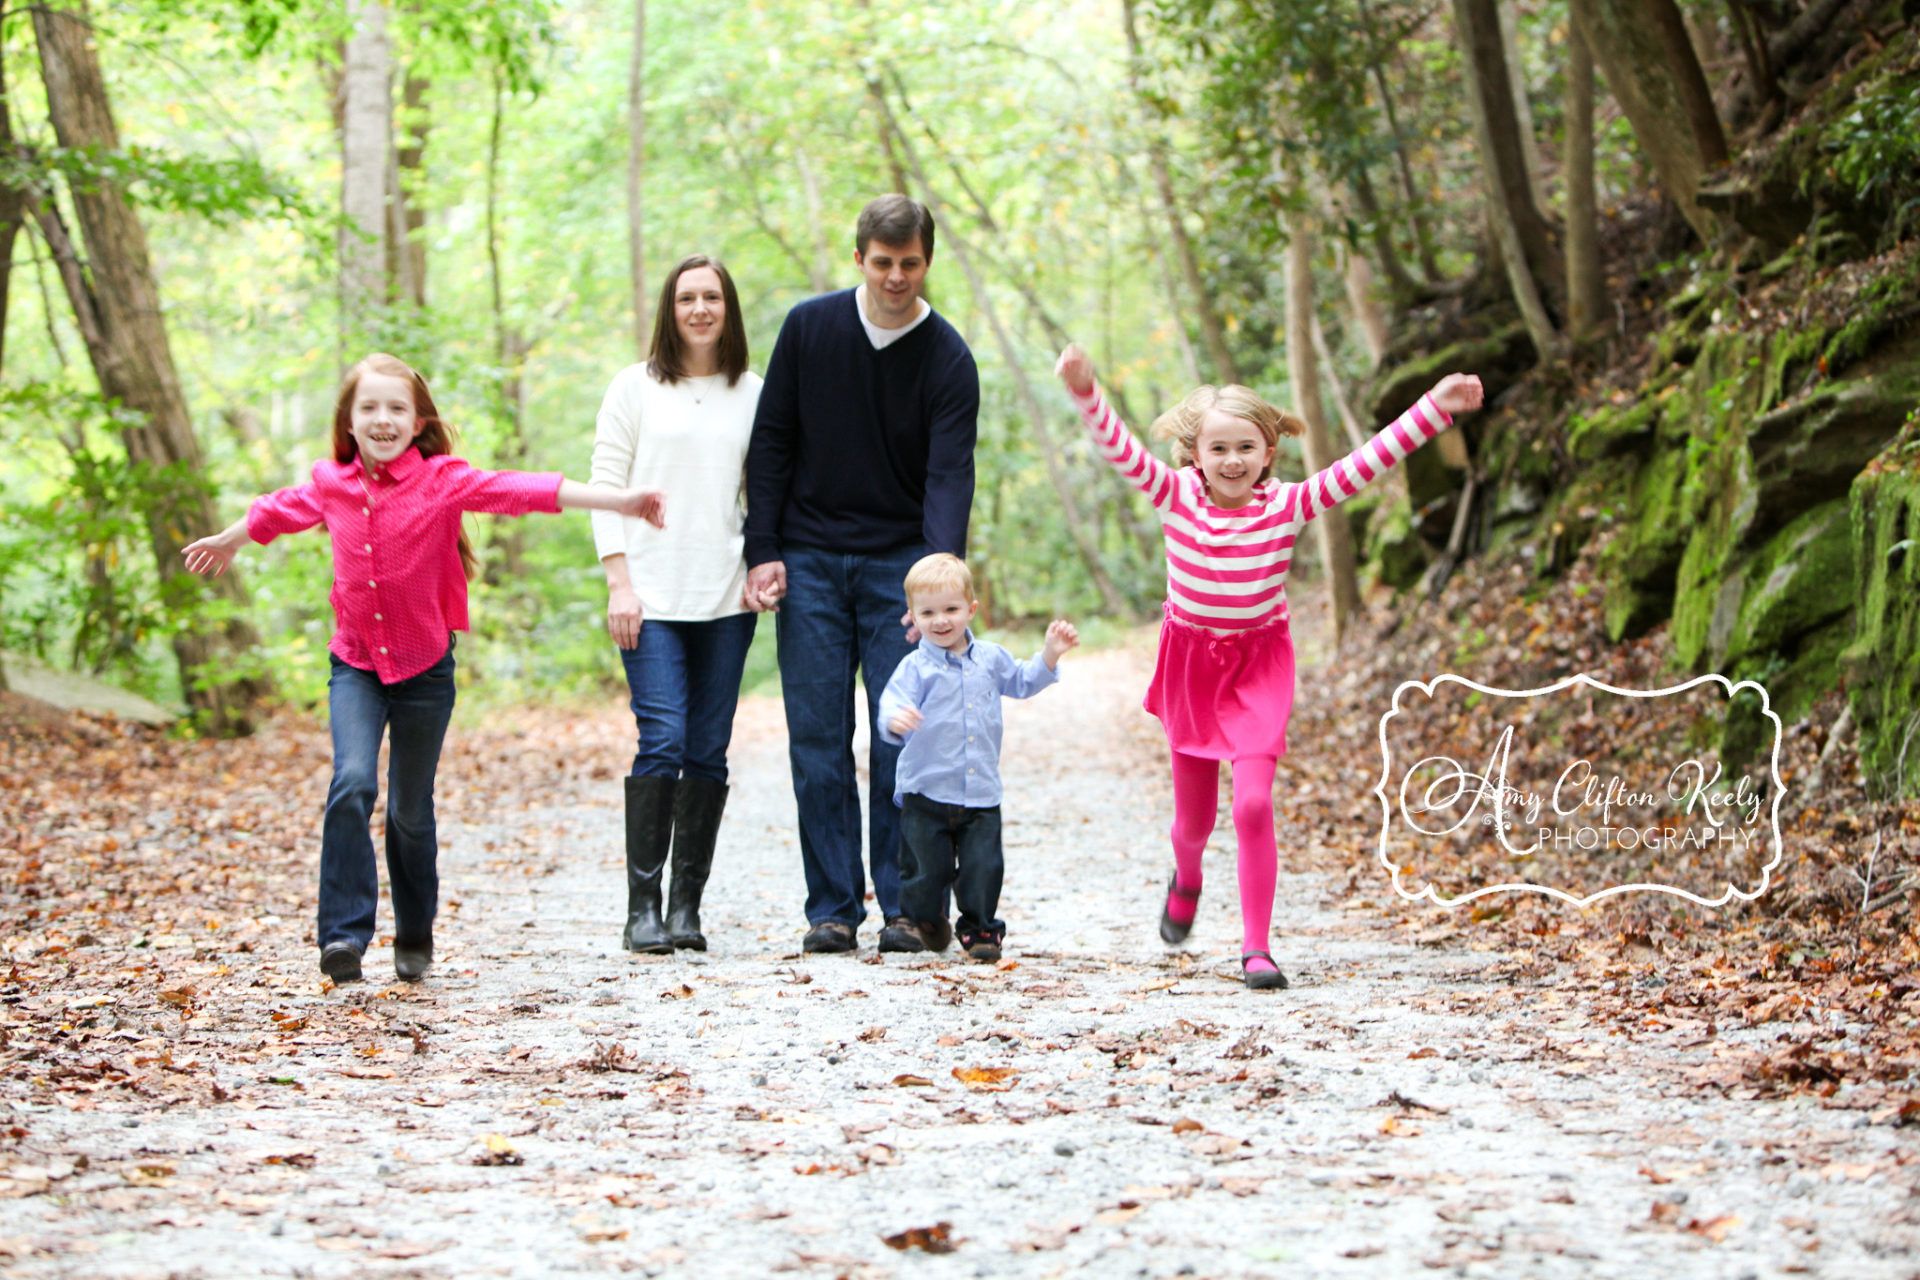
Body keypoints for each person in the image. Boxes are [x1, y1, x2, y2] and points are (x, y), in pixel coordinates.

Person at [182, 353, 665, 985]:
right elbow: (276, 510)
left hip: (424, 673)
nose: (383, 419)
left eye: (396, 408)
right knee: (352, 783)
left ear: (417, 422)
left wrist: (621, 499)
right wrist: (228, 539)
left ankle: (414, 932)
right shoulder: (331, 482)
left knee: (410, 809)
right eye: (369, 408)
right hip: (354, 665)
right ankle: (343, 938)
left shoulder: (443, 481)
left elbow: (527, 489)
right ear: (350, 422)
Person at [1053, 343, 1484, 989]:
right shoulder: (1173, 495)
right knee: (1192, 823)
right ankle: (1188, 876)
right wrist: (1086, 388)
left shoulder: (1288, 505)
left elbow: (1369, 462)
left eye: (1246, 448)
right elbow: (1119, 448)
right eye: (1219, 448)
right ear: (1196, 454)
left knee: (1253, 804)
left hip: (1259, 664)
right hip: (1192, 665)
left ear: (1269, 454)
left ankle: (1257, 948)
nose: (1233, 461)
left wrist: (1435, 408)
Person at [743, 195, 980, 955]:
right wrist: (764, 548)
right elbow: (772, 442)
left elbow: (950, 477)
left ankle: (907, 910)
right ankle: (833, 909)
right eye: (883, 263)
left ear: (927, 262)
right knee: (816, 738)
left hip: (899, 567)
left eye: (910, 263)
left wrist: (935, 585)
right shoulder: (810, 329)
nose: (897, 277)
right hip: (808, 559)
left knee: (902, 739)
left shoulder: (948, 357)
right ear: (859, 260)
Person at [590, 255, 762, 955]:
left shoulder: (752, 391)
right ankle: (643, 908)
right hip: (651, 597)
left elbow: (766, 493)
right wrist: (619, 582)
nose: (699, 309)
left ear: (728, 308)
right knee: (660, 739)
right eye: (687, 297)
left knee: (709, 750)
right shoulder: (633, 388)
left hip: (726, 595)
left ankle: (687, 907)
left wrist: (761, 567)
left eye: (711, 297)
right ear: (670, 307)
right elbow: (605, 486)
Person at [875, 554, 1078, 962]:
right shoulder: (914, 668)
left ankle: (981, 928)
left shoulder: (991, 658)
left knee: (983, 867)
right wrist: (896, 719)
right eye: (928, 612)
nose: (941, 620)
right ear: (912, 616)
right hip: (926, 792)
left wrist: (1051, 654)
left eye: (951, 609)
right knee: (924, 873)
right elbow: (889, 707)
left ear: (971, 609)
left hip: (980, 790)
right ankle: (928, 919)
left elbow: (1022, 680)